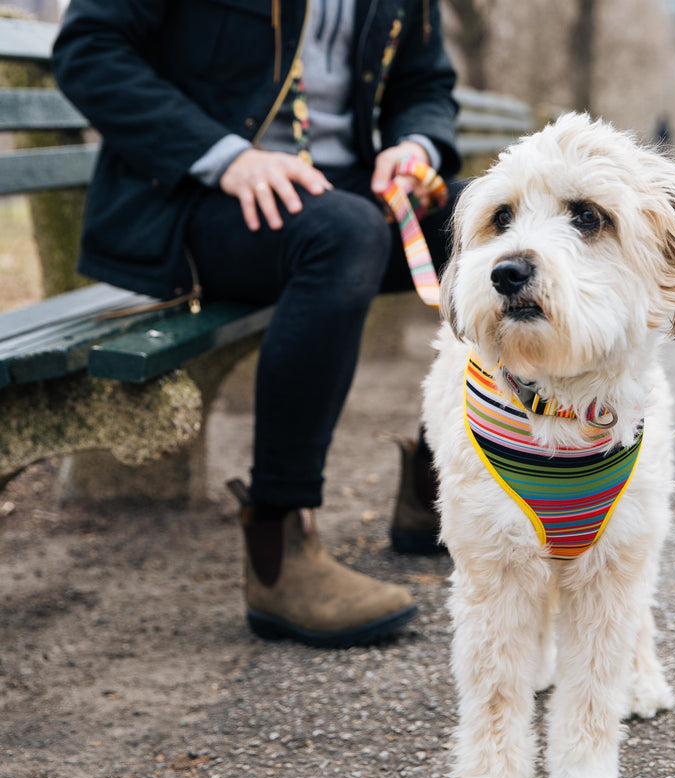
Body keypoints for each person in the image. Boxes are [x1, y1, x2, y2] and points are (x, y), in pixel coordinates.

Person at [52, 0, 462, 648]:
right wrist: (227, 158)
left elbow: (424, 81)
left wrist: (415, 144)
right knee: (344, 233)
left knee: (490, 222)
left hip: (340, 187)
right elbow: (89, 48)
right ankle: (279, 548)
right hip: (197, 199)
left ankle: (441, 485)